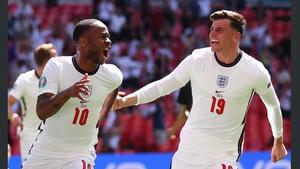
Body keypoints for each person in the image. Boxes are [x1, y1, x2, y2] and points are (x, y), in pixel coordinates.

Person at [112, 10, 287, 169]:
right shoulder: (197, 59)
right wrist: (127, 100)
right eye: (211, 29)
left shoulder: (255, 71)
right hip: (188, 152)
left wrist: (278, 140)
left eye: (220, 30)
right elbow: (163, 86)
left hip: (223, 155)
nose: (212, 34)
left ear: (236, 36)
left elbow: (273, 106)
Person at [22, 19, 123, 169]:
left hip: (80, 154)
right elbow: (42, 112)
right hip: (45, 152)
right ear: (83, 42)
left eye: (108, 37)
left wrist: (103, 115)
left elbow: (115, 87)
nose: (108, 42)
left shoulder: (112, 74)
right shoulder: (57, 66)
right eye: (102, 37)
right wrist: (68, 93)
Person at [8, 43, 57, 162]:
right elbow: (7, 103)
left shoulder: (58, 79)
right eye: (55, 58)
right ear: (47, 61)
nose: (58, 61)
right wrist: (13, 116)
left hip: (53, 138)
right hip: (30, 137)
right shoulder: (25, 80)